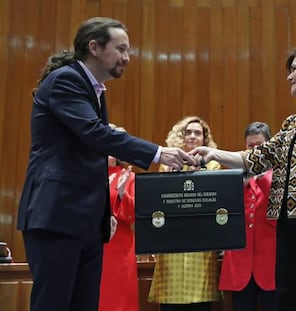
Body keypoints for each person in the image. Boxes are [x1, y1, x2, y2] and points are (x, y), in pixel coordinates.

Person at [17, 17, 195, 311]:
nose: (127, 57)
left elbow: (88, 155)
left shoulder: (94, 89)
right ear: (95, 47)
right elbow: (95, 135)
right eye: (120, 49)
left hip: (84, 219)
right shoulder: (67, 79)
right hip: (57, 214)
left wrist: (103, 210)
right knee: (54, 303)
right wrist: (158, 153)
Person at [189, 46, 296, 311]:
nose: (289, 77)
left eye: (295, 69)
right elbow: (256, 159)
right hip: (287, 223)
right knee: (288, 299)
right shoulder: (292, 122)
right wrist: (213, 152)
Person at [148, 116, 222, 311]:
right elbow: (161, 203)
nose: (192, 136)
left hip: (201, 243)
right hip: (172, 242)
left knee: (199, 302)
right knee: (170, 301)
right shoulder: (167, 165)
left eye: (197, 133)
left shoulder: (213, 165)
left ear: (205, 140)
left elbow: (212, 202)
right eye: (188, 132)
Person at [219, 121, 278, 311]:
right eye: (250, 146)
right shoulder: (234, 175)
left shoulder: (279, 175)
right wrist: (238, 185)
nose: (254, 151)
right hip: (240, 260)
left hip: (271, 260)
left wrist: (262, 178)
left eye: (259, 146)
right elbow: (222, 213)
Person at [99, 125, 139, 311]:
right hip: (93, 247)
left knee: (118, 301)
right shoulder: (86, 174)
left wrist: (123, 195)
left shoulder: (127, 176)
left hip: (119, 249)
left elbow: (134, 215)